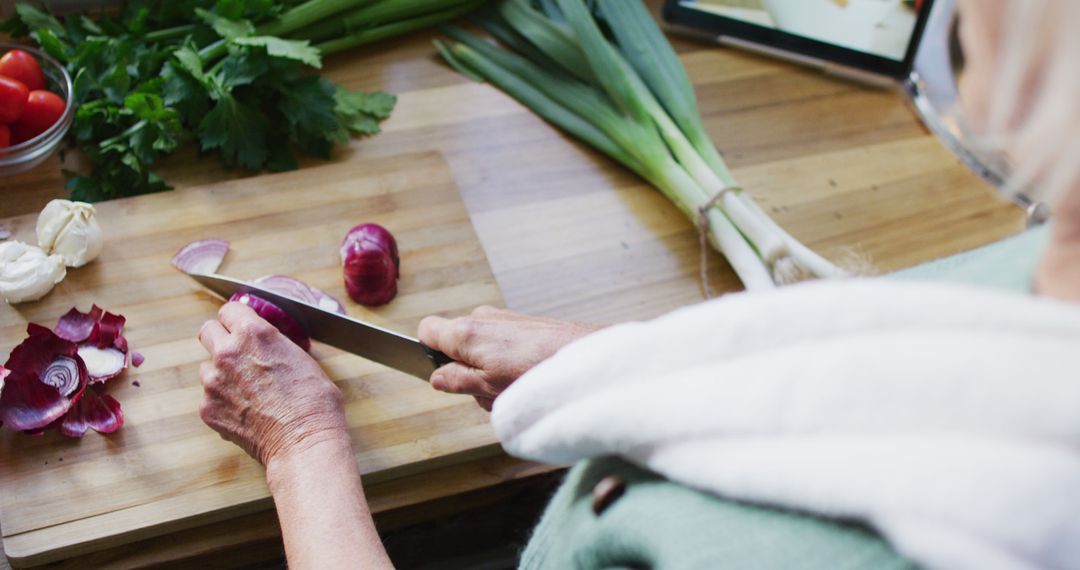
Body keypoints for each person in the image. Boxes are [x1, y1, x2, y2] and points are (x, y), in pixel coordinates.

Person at [196, 0, 1080, 568]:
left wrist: (299, 445)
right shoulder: (1046, 276)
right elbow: (889, 396)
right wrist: (612, 366)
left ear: (1000, 64)